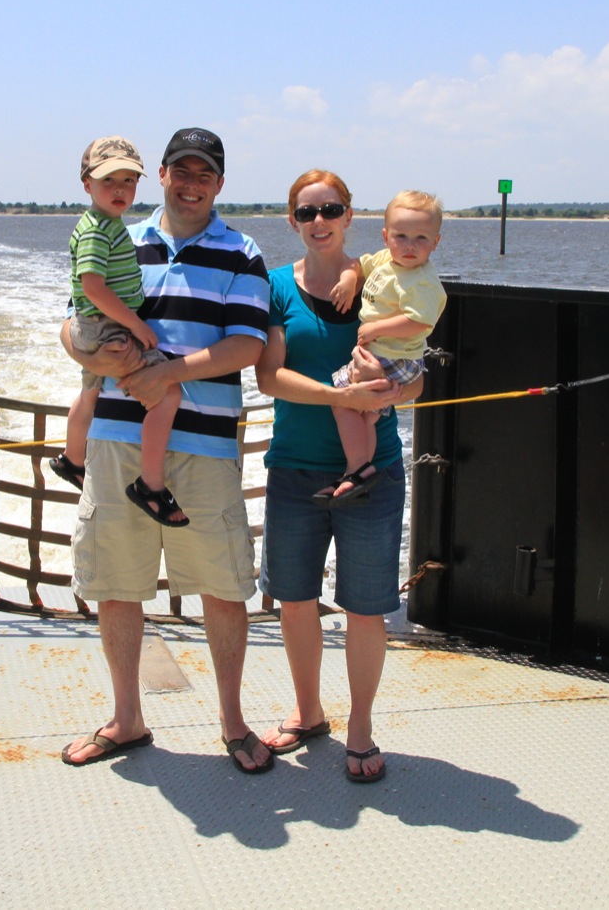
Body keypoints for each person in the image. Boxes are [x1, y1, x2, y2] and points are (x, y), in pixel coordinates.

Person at [59, 127, 276, 774]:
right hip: (115, 439)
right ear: (160, 175)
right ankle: (127, 718)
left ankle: (233, 721)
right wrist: (89, 351)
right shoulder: (117, 235)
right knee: (116, 583)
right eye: (181, 171)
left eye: (204, 173)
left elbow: (248, 346)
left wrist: (167, 375)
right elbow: (73, 321)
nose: (191, 183)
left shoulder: (242, 252)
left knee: (222, 586)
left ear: (220, 183)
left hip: (205, 445)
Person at [255, 169, 424, 784]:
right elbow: (268, 377)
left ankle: (360, 727)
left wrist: (395, 391)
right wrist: (341, 399)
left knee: (365, 607)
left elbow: (416, 374)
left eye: (330, 210)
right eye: (307, 213)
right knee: (295, 599)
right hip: (295, 468)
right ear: (292, 222)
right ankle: (308, 713)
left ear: (351, 216)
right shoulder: (276, 287)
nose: (319, 222)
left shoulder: (386, 277)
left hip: (374, 473)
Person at [49, 136, 185, 526]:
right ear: (87, 184)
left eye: (129, 180)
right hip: (107, 327)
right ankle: (150, 485)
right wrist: (135, 324)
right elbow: (92, 288)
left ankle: (72, 459)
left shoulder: (105, 224)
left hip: (92, 326)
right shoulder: (98, 230)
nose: (120, 189)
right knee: (168, 393)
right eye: (108, 180)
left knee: (90, 392)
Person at [319, 190, 445, 504]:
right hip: (383, 354)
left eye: (421, 238)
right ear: (386, 237)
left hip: (397, 358)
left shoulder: (422, 281)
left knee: (342, 400)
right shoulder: (386, 260)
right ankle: (359, 473)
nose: (410, 245)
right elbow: (357, 264)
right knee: (365, 414)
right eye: (401, 236)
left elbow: (419, 322)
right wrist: (349, 279)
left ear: (435, 242)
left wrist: (376, 328)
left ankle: (358, 469)